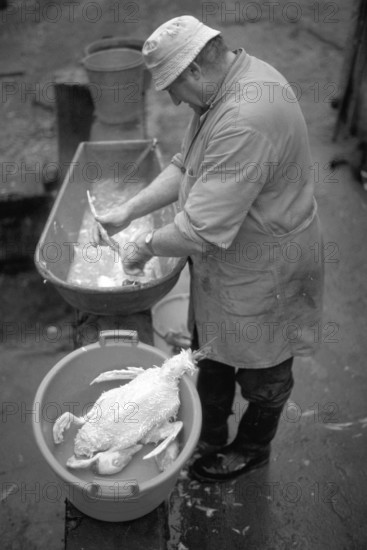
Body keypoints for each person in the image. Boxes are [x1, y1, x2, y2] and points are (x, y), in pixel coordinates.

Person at [92, 15, 325, 482]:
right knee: (211, 349)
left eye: (173, 88)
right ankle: (210, 430)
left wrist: (141, 248)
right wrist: (129, 212)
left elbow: (198, 228)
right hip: (229, 258)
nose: (174, 100)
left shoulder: (246, 117)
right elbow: (187, 166)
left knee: (264, 371)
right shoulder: (224, 86)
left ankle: (253, 448)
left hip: (266, 269)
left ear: (195, 70)